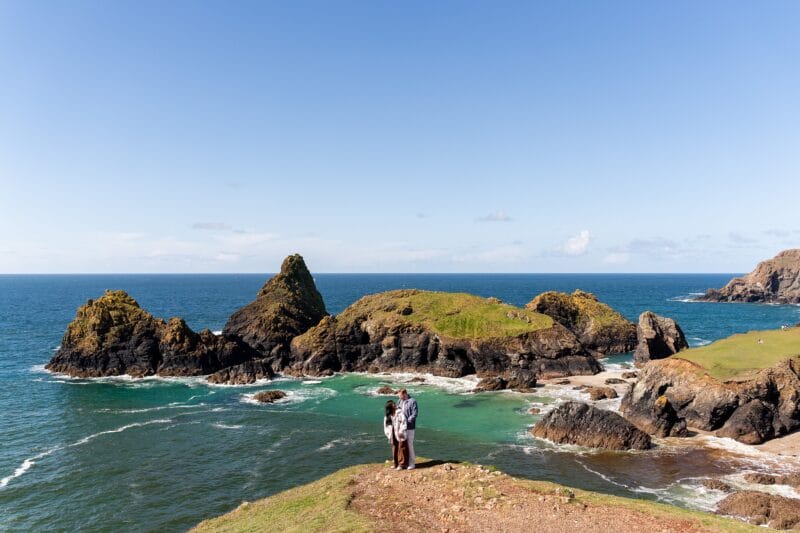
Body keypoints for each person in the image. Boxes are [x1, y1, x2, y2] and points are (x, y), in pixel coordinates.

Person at [383, 400, 408, 470]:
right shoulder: (387, 417)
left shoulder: (400, 413)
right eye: (393, 404)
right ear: (390, 407)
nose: (395, 404)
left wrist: (401, 431)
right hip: (392, 434)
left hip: (400, 433)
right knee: (395, 448)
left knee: (402, 447)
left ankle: (402, 464)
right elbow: (386, 427)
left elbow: (404, 422)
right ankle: (396, 464)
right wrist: (388, 435)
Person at [397, 389, 418, 469]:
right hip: (401, 427)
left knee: (409, 444)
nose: (400, 398)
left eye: (400, 396)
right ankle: (403, 463)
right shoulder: (399, 401)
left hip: (409, 427)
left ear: (405, 394)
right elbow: (397, 410)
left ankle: (412, 463)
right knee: (402, 445)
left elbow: (414, 414)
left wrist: (406, 421)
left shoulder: (412, 401)